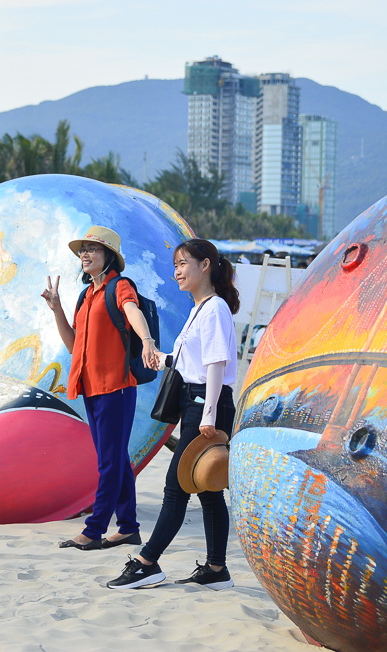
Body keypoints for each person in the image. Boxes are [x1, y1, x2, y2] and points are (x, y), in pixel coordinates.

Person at [107, 238, 240, 590]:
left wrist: (209, 416)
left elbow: (215, 365)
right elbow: (194, 361)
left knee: (176, 487)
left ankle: (147, 562)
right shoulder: (200, 309)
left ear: (205, 265)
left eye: (183, 263)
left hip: (206, 404)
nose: (177, 271)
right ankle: (216, 569)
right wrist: (163, 359)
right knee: (207, 489)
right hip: (196, 401)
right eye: (175, 265)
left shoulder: (214, 309)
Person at [41, 226, 157, 551]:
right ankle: (128, 527)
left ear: (108, 257)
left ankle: (94, 530)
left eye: (93, 249)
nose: (85, 255)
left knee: (108, 463)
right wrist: (57, 309)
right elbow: (74, 345)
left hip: (116, 389)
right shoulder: (87, 295)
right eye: (83, 250)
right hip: (92, 389)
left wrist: (147, 341)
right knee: (117, 460)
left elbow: (132, 311)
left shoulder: (119, 286)